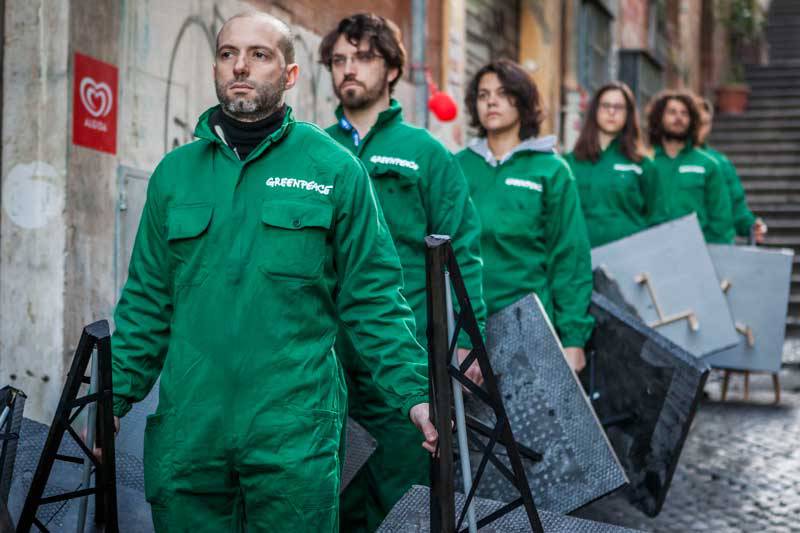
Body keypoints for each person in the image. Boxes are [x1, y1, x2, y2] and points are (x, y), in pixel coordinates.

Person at [110, 12, 437, 531]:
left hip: (293, 434)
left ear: (289, 74)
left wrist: (416, 394)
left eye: (259, 55)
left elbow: (373, 298)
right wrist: (112, 394)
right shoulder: (175, 175)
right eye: (227, 54)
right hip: (191, 430)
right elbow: (148, 299)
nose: (240, 66)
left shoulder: (332, 169)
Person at [319, 13, 486, 531]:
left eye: (363, 58)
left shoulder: (426, 155)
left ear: (391, 69)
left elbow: (464, 252)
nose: (349, 70)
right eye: (339, 60)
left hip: (405, 347)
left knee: (403, 487)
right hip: (324, 351)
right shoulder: (312, 151)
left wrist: (464, 338)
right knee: (330, 484)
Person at [455, 59, 593, 372]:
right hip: (463, 329)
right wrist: (460, 336)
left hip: (529, 326)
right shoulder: (457, 167)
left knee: (526, 422)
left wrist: (574, 339)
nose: (491, 100)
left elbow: (570, 260)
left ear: (524, 102)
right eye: (483, 94)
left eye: (503, 93)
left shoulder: (551, 171)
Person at [565, 82, 667, 247]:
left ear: (629, 114)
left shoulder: (643, 165)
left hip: (629, 260)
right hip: (581, 259)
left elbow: (658, 221)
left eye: (619, 107)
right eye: (605, 105)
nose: (611, 112)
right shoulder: (569, 163)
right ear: (594, 111)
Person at [646, 90, 734, 243]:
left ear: (692, 120)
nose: (678, 117)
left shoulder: (708, 165)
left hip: (698, 250)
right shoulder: (646, 163)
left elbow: (721, 218)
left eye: (684, 113)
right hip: (652, 250)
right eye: (672, 112)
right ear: (659, 117)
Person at [695, 96, 767, 243]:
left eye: (706, 123)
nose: (700, 129)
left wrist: (751, 226)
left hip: (713, 247)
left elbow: (737, 206)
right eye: (697, 122)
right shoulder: (658, 160)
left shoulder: (720, 163)